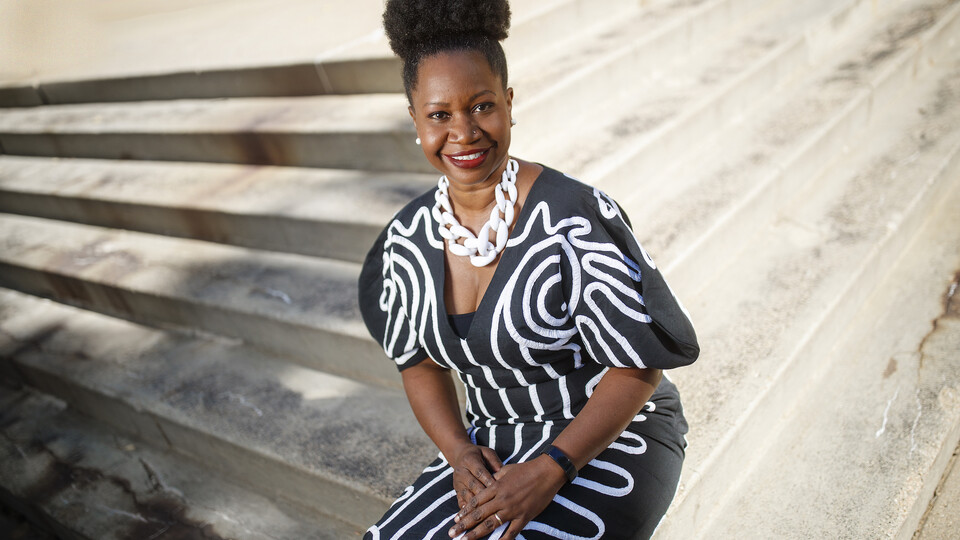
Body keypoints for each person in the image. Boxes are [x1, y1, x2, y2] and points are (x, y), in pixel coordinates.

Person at [357, 1, 700, 538]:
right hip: (492, 444)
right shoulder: (406, 240)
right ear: (415, 119)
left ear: (509, 103)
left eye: (482, 106)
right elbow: (418, 364)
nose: (464, 132)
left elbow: (637, 366)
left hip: (611, 434)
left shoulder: (573, 218)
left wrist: (552, 468)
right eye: (440, 115)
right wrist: (459, 452)